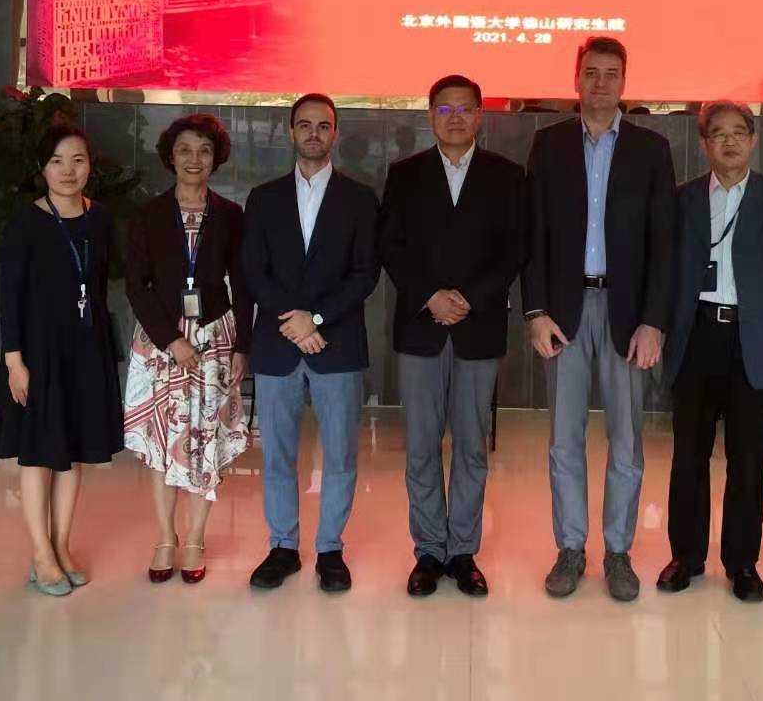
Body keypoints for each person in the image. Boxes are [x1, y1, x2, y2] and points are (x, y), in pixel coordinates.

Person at [522, 37, 676, 602]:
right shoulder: (549, 144)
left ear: (624, 82)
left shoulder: (651, 148)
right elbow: (534, 233)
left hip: (626, 315)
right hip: (563, 313)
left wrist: (654, 321)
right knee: (563, 440)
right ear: (577, 79)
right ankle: (570, 547)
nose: (601, 83)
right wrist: (535, 310)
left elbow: (664, 243)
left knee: (626, 441)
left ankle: (617, 551)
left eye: (612, 74)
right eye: (591, 72)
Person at [379, 75, 529, 598]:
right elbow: (390, 245)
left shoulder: (506, 175)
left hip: (477, 327)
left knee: (470, 446)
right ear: (431, 116)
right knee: (421, 447)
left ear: (480, 115)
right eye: (445, 110)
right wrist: (430, 296)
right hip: (420, 327)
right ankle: (428, 550)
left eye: (466, 109)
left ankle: (463, 551)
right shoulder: (404, 174)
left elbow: (515, 250)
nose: (456, 118)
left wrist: (468, 299)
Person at [656, 101, 763, 602]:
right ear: (704, 143)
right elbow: (666, 264)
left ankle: (743, 563)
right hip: (696, 336)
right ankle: (686, 556)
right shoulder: (683, 199)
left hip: (751, 340)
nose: (729, 141)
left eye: (739, 132)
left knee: (747, 459)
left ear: (753, 139)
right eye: (718, 133)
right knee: (689, 455)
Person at [242, 94, 381, 594]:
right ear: (290, 132)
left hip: (336, 343)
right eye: (305, 125)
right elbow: (253, 268)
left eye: (324, 125)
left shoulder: (360, 199)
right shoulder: (263, 198)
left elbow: (365, 273)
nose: (314, 133)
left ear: (335, 133)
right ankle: (283, 546)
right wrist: (294, 320)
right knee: (277, 454)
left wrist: (315, 318)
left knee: (340, 454)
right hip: (278, 344)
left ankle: (330, 549)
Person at [0, 124, 124, 597]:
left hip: (85, 348)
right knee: (38, 454)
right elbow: (11, 297)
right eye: (57, 161)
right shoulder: (25, 222)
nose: (68, 170)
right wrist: (14, 362)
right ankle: (41, 553)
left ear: (90, 166)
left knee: (72, 454)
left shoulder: (100, 219)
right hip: (37, 353)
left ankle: (61, 545)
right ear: (42, 168)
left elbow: (98, 286)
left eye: (78, 160)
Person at [123, 114, 251, 585]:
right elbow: (135, 285)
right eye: (184, 150)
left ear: (216, 158)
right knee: (162, 440)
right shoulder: (149, 214)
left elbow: (243, 284)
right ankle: (165, 536)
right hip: (160, 343)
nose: (194, 159)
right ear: (170, 157)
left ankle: (195, 537)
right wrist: (171, 339)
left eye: (204, 150)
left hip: (216, 341)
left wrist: (243, 345)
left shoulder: (231, 215)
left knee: (205, 438)